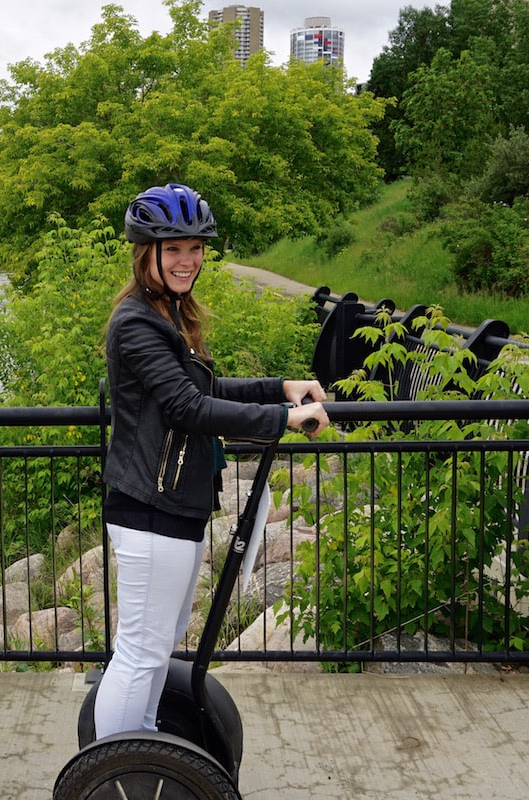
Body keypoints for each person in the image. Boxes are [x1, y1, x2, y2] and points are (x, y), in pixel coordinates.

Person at [94, 183, 328, 738]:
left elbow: (206, 386)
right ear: (145, 252)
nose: (188, 260)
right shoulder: (136, 322)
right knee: (140, 654)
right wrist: (282, 419)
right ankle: (111, 770)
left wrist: (282, 386)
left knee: (158, 646)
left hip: (179, 504)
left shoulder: (169, 313)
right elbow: (186, 406)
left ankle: (142, 752)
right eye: (173, 248)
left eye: (195, 247)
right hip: (149, 507)